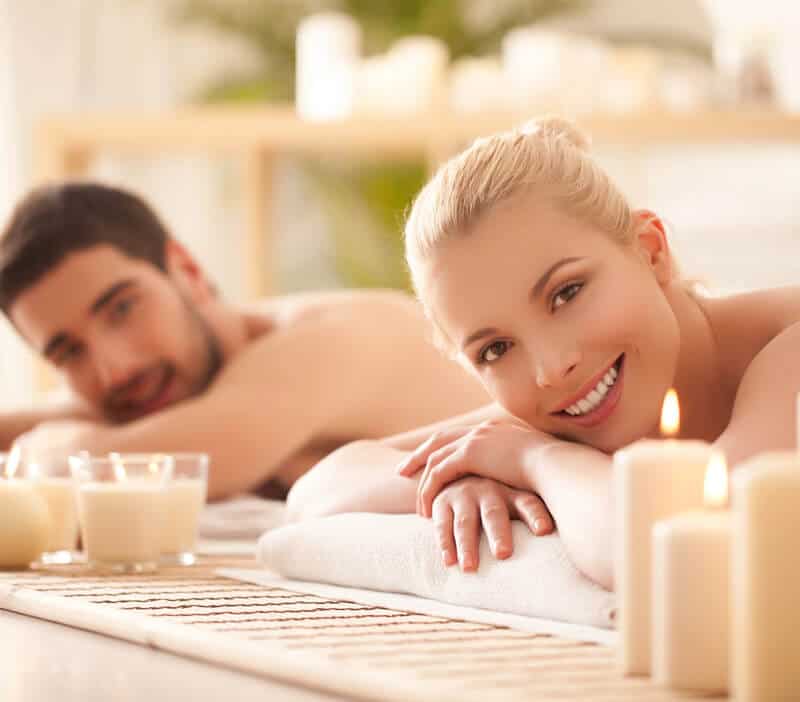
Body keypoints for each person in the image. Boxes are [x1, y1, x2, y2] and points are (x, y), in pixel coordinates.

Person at [288, 117, 800, 590]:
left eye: (566, 293)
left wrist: (537, 461)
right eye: (496, 349)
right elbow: (316, 491)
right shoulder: (565, 403)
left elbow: (670, 551)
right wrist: (462, 477)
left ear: (650, 250)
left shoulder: (788, 346)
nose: (551, 369)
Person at [0, 181, 491, 500]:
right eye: (68, 352)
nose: (115, 370)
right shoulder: (186, 389)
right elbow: (71, 421)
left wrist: (50, 452)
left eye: (122, 309)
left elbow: (102, 466)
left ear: (187, 272)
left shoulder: (319, 348)